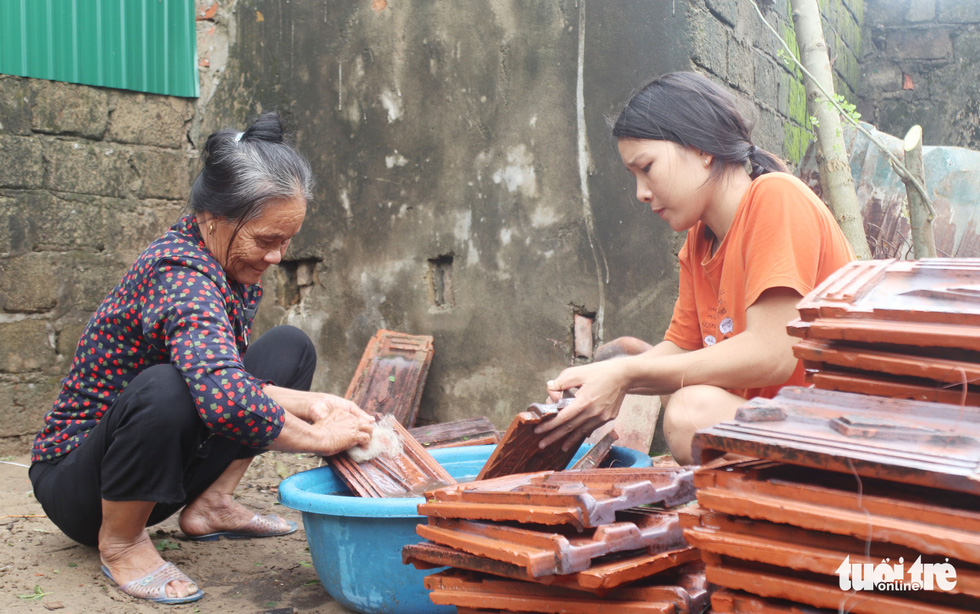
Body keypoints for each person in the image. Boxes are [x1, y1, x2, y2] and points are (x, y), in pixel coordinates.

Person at [29, 112, 375, 605]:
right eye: (267, 240)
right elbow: (225, 400)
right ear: (213, 218)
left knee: (288, 348)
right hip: (82, 484)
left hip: (159, 463)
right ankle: (122, 542)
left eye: (287, 240)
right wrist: (320, 437)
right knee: (168, 387)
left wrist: (315, 401)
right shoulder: (181, 273)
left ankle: (211, 505)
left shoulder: (229, 263)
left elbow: (223, 377)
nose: (277, 256)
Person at [536, 72, 855, 465]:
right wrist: (601, 379)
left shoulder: (776, 198)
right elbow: (681, 347)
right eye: (634, 177)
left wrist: (628, 376)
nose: (641, 193)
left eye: (647, 167)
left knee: (691, 412)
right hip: (778, 427)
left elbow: (774, 353)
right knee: (678, 397)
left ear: (703, 148)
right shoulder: (700, 241)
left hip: (839, 430)